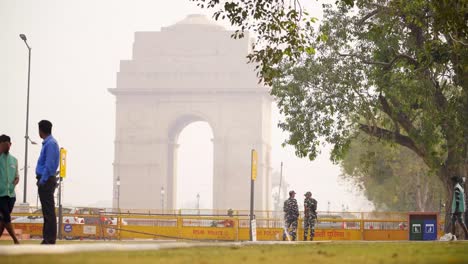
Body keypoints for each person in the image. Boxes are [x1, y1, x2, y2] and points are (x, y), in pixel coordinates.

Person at [36, 120, 60, 244]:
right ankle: (47, 238)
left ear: (41, 130)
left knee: (48, 212)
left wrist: (42, 180)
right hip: (46, 180)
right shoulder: (50, 143)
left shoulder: (50, 144)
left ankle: (49, 239)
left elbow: (49, 165)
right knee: (47, 211)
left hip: (46, 180)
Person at [0, 135, 20, 244]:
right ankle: (16, 240)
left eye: (9, 145)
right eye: (5, 145)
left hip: (11, 195)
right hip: (0, 195)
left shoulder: (14, 160)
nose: (8, 147)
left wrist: (14, 183)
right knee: (6, 217)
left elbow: (17, 177)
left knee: (3, 220)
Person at [450, 176, 468, 240]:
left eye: (452, 181)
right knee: (454, 221)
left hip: (457, 208)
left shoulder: (457, 187)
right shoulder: (460, 187)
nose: (451, 183)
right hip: (459, 208)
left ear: (455, 181)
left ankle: (466, 235)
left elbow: (457, 199)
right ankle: (453, 236)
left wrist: (456, 209)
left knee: (459, 222)